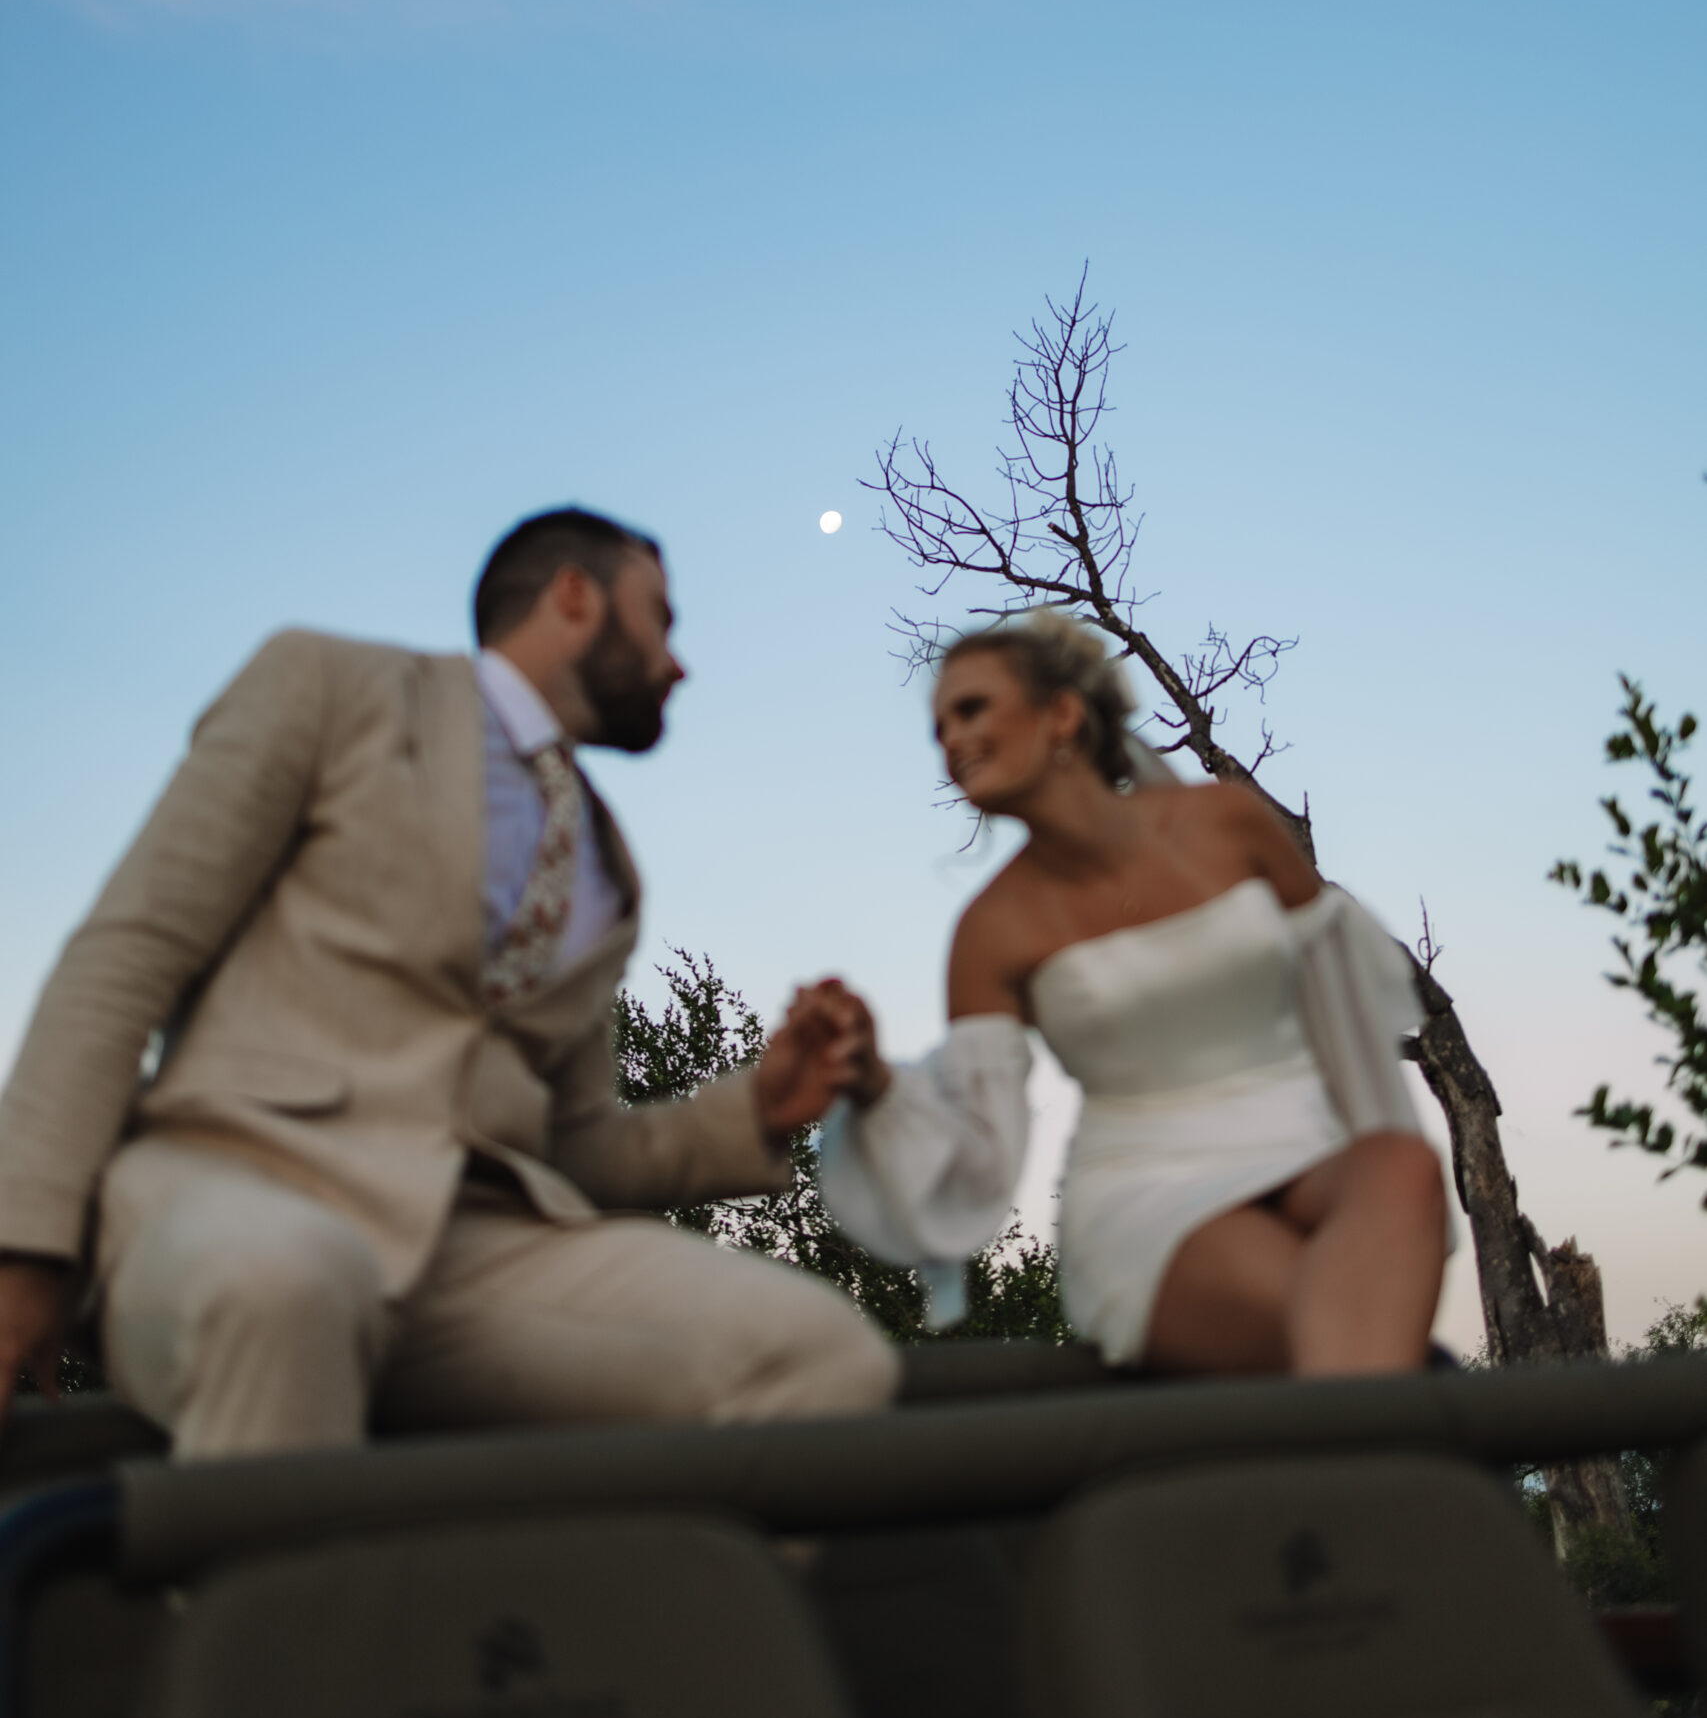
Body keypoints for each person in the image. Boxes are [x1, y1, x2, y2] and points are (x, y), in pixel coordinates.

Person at [0, 507, 898, 1456]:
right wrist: (25, 1244)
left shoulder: (605, 864)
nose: (678, 662)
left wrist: (757, 1108)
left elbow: (579, 1145)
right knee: (292, 1281)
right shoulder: (331, 686)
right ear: (574, 597)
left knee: (822, 1360)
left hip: (473, 1246)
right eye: (661, 618)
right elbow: (125, 955)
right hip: (234, 1185)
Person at [817, 611, 1451, 1376]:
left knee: (1404, 1167)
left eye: (971, 708)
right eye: (937, 728)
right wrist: (877, 1085)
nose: (949, 742)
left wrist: (1367, 1155)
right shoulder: (988, 930)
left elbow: (1337, 999)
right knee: (1334, 1319)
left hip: (1307, 1145)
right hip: (1149, 1190)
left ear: (1061, 714)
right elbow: (979, 1150)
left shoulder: (1229, 822)